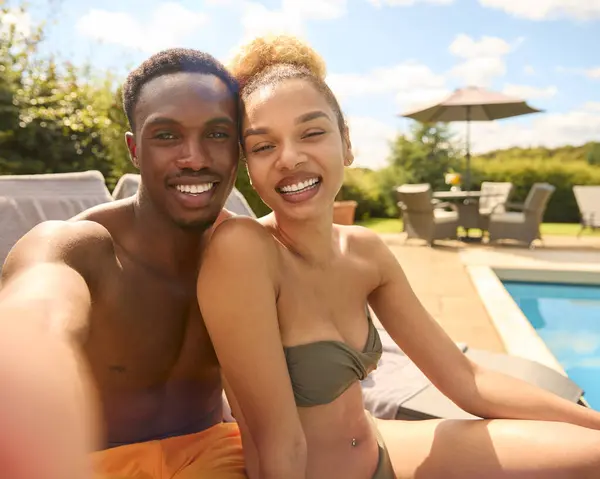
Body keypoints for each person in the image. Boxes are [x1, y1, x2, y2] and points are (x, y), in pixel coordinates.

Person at [197, 35, 600, 479]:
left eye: (312, 132)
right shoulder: (243, 250)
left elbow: (466, 379)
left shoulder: (365, 251)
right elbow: (279, 440)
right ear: (248, 166)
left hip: (386, 446)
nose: (289, 157)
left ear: (346, 142)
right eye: (263, 146)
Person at [0, 48, 248, 479]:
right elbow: (37, 313)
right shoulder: (77, 247)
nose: (194, 158)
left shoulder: (252, 256)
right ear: (134, 149)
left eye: (217, 134)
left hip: (219, 455)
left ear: (240, 148)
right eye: (166, 136)